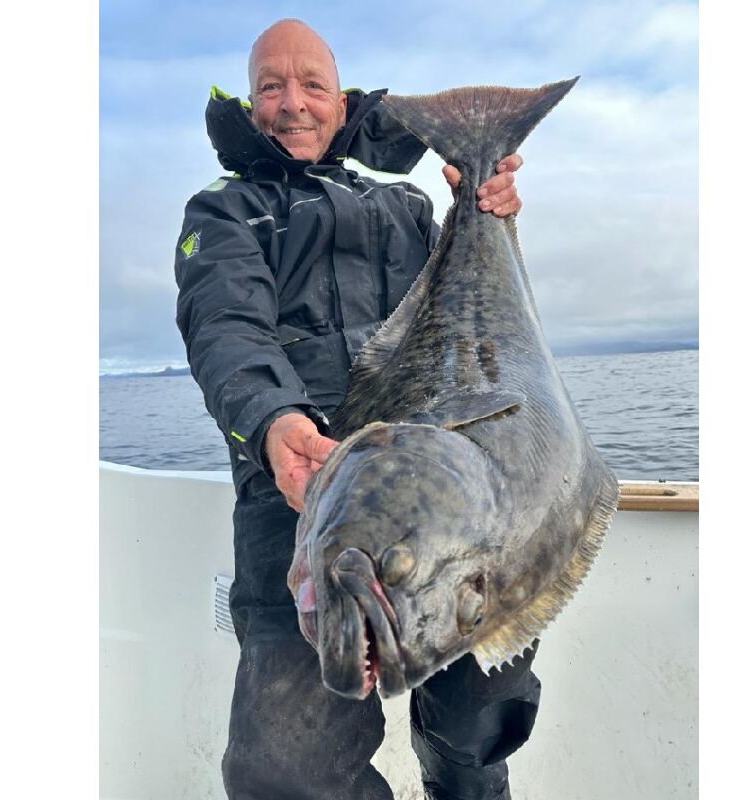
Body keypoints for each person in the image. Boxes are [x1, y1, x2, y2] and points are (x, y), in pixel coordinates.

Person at [174, 18, 541, 800]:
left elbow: (473, 325)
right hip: (301, 492)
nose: (292, 103)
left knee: (481, 716)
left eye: (312, 85)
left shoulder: (406, 207)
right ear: (251, 104)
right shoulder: (223, 212)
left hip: (445, 494)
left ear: (341, 105)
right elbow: (225, 325)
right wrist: (274, 421)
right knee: (287, 768)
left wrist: (491, 215)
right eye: (271, 86)